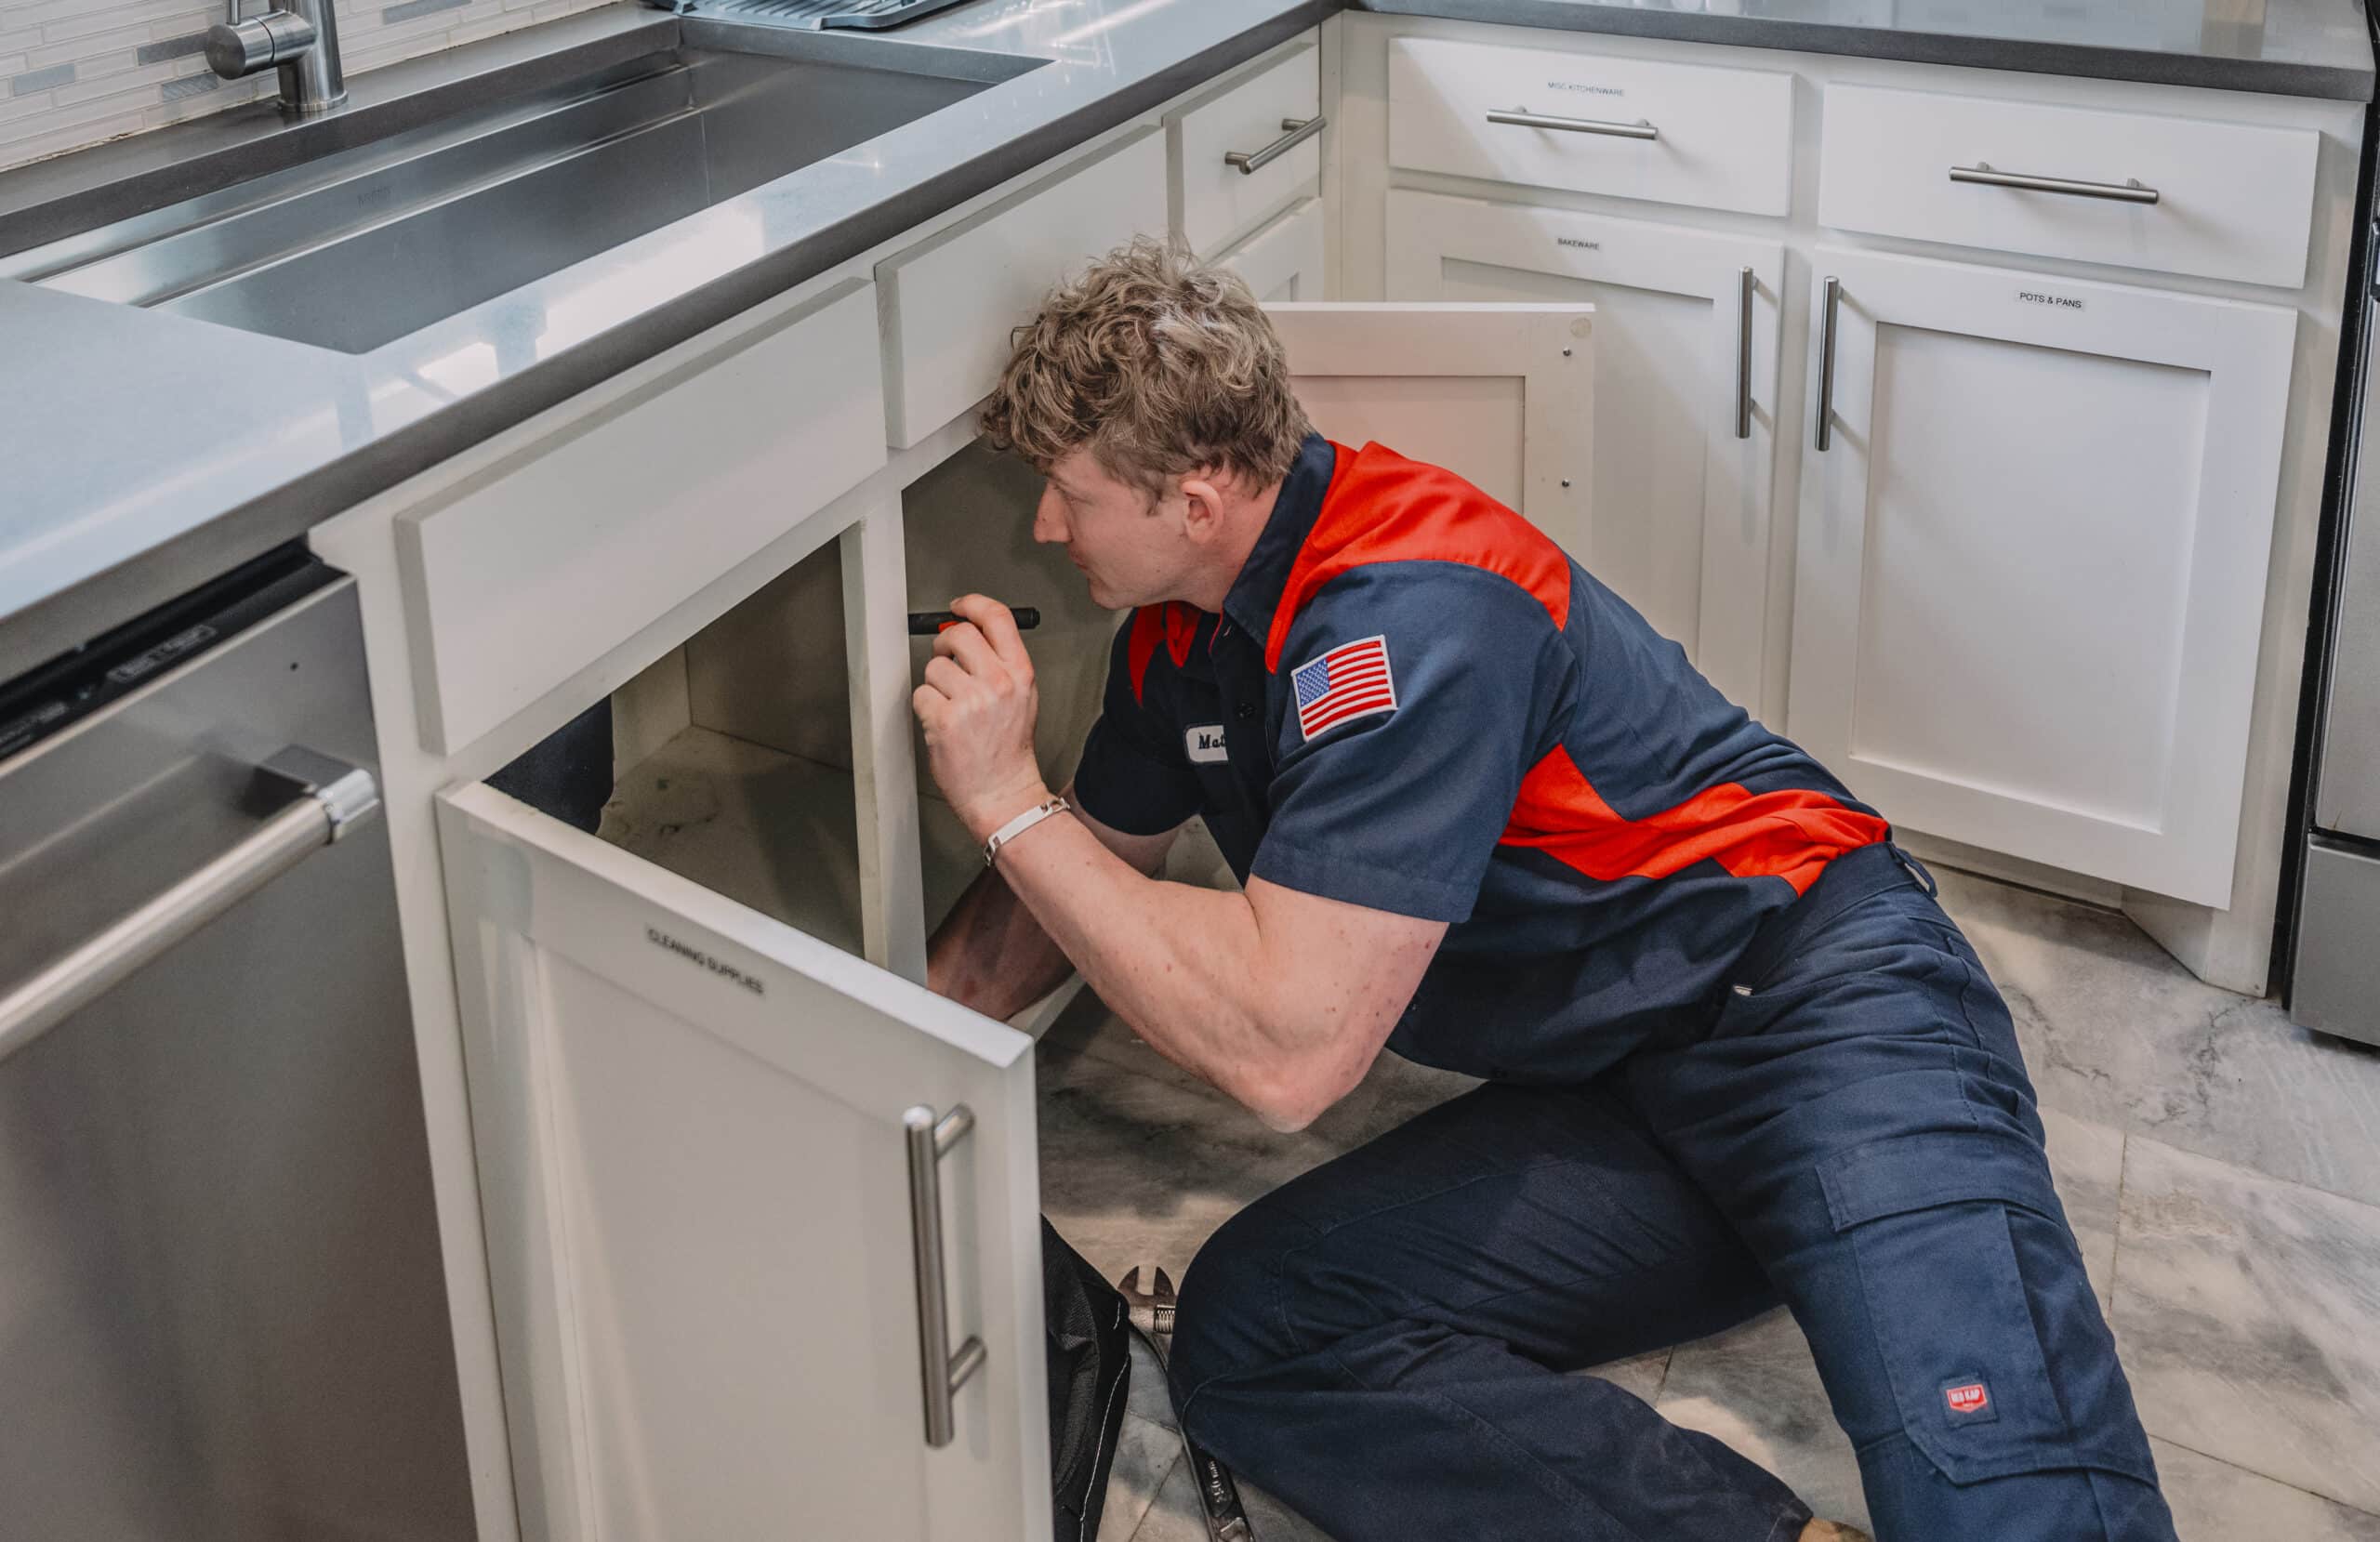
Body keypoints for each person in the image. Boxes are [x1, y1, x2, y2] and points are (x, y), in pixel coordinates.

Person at [913, 239, 2176, 1542]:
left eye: (1068, 493)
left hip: (1824, 1018)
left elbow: (1291, 1051)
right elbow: (1071, 889)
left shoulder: (1412, 615)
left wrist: (1008, 799)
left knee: (2007, 1494)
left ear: (1199, 495)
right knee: (1257, 1333)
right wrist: (871, 1079)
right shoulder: (1177, 640)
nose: (1044, 528)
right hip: (1619, 1091)